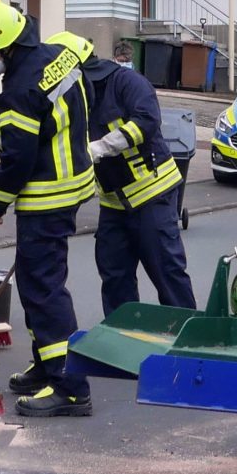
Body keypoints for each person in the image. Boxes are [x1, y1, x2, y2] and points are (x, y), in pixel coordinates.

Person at [0, 0, 96, 419]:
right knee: (39, 278)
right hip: (72, 185)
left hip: (45, 195)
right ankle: (47, 364)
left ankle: (71, 387)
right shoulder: (58, 56)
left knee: (44, 288)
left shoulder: (17, 92)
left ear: (4, 44)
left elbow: (17, 160)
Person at [85, 46, 196, 315]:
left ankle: (185, 335)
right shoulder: (76, 96)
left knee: (166, 272)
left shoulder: (127, 82)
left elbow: (147, 120)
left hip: (152, 194)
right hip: (113, 203)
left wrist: (99, 148)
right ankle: (122, 337)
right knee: (114, 277)